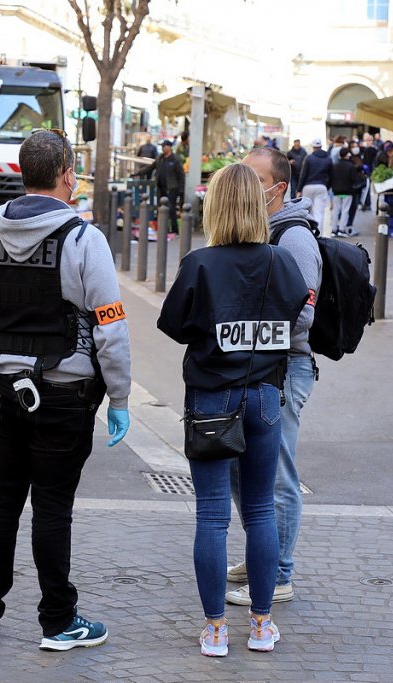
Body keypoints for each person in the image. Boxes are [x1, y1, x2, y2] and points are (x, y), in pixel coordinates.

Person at [0, 129, 132, 651]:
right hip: (63, 395)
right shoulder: (84, 240)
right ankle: (58, 621)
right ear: (66, 176)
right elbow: (110, 325)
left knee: (1, 500)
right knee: (52, 507)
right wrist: (119, 398)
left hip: (3, 393)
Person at [158, 162, 309, 657]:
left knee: (211, 516)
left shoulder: (200, 263)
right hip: (265, 395)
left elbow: (174, 324)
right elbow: (297, 313)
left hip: (211, 398)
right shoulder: (281, 262)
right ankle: (262, 625)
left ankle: (217, 629)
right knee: (261, 510)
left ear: (216, 206)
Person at [224, 147, 322, 611]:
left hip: (286, 367)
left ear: (277, 188)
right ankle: (260, 554)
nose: (243, 185)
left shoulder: (295, 239)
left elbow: (302, 318)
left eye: (252, 178)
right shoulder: (258, 228)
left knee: (276, 472)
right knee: (242, 470)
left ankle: (279, 572)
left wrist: (245, 318)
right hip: (256, 365)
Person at [136, 139, 185, 232]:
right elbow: (150, 168)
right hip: (160, 187)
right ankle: (163, 229)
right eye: (162, 146)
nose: (163, 148)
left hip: (172, 188)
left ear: (169, 147)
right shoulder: (160, 158)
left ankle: (174, 229)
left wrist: (181, 190)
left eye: (164, 146)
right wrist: (138, 173)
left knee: (171, 209)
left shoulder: (175, 159)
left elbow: (181, 175)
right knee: (160, 209)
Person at [296, 139, 333, 233]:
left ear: (313, 147)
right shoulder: (328, 159)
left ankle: (308, 232)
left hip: (308, 187)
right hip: (322, 187)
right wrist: (327, 187)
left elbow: (303, 175)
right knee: (319, 212)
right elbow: (332, 175)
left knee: (308, 211)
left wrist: (299, 189)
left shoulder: (309, 158)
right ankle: (318, 234)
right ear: (321, 147)